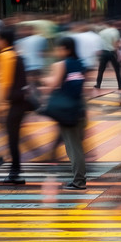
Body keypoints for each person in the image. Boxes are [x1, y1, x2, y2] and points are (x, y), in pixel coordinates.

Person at [43, 37, 87, 190]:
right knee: (76, 146)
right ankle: (79, 179)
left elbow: (53, 83)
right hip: (79, 109)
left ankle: (79, 181)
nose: (57, 51)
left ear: (66, 49)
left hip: (68, 111)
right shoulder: (80, 63)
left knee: (73, 148)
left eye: (59, 48)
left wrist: (43, 80)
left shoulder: (62, 64)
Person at [0, 27, 28, 185]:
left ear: (3, 40)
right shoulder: (16, 54)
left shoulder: (5, 55)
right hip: (19, 103)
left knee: (12, 139)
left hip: (12, 105)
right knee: (12, 138)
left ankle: (13, 172)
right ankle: (11, 169)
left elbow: (5, 83)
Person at [95, 22, 121, 90]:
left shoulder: (101, 32)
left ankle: (98, 84)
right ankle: (120, 85)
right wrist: (118, 53)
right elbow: (115, 43)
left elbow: (99, 42)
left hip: (104, 52)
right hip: (112, 52)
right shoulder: (115, 31)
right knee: (117, 69)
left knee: (101, 70)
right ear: (113, 25)